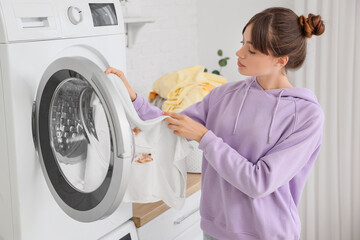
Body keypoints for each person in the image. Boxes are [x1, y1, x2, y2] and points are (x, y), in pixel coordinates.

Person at [105, 7, 325, 240]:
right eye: (243, 43)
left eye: (251, 50)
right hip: (215, 231)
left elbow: (259, 182)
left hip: (267, 234)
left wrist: (205, 138)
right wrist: (134, 100)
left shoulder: (305, 115)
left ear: (280, 60)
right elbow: (170, 127)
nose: (239, 53)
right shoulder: (224, 95)